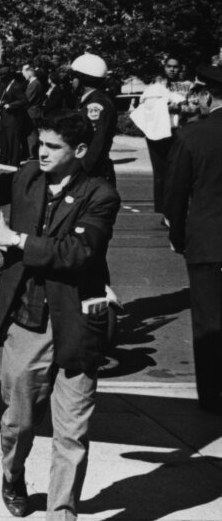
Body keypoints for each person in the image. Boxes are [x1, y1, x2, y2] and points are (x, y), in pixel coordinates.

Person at [0, 112, 120, 520]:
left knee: (72, 433)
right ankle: (13, 474)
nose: (42, 152)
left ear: (78, 152)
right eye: (40, 144)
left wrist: (17, 239)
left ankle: (61, 513)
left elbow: (77, 253)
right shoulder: (28, 177)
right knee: (19, 423)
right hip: (29, 320)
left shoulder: (101, 195)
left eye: (53, 146)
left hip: (78, 323)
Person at [163, 63, 222, 415]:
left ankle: (213, 397)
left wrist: (177, 236)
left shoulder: (191, 136)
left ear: (208, 95)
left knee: (209, 322)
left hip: (208, 243)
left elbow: (175, 194)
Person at [137, 55, 197, 215]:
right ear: (164, 67)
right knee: (161, 173)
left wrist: (176, 108)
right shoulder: (156, 85)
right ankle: (164, 211)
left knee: (181, 172)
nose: (172, 69)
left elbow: (195, 107)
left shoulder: (189, 86)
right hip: (157, 133)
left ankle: (183, 209)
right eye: (169, 66)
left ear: (181, 67)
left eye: (175, 66)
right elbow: (145, 105)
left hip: (180, 133)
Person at [69, 53, 117, 186]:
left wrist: (82, 173)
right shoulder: (89, 101)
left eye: (73, 78)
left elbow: (96, 143)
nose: (72, 82)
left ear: (80, 80)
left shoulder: (97, 105)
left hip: (93, 175)